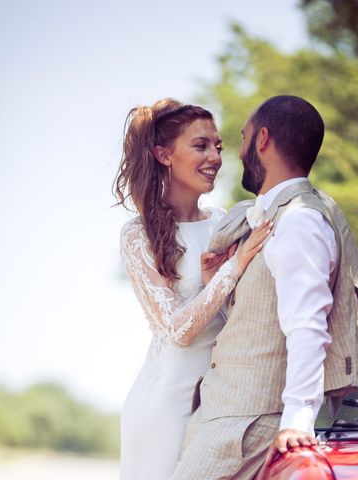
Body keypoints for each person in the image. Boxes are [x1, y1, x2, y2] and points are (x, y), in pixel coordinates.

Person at [170, 95, 358, 480]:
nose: (237, 153)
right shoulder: (275, 218)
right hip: (225, 421)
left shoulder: (299, 221)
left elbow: (307, 325)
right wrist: (218, 288)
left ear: (262, 140)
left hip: (247, 429)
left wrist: (297, 421)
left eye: (241, 138)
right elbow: (262, 323)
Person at [113, 98, 272, 480]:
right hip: (164, 406)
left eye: (218, 146)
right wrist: (233, 267)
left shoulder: (225, 222)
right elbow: (179, 331)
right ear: (163, 155)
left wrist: (221, 280)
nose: (215, 156)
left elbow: (240, 313)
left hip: (221, 403)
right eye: (200, 145)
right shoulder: (138, 235)